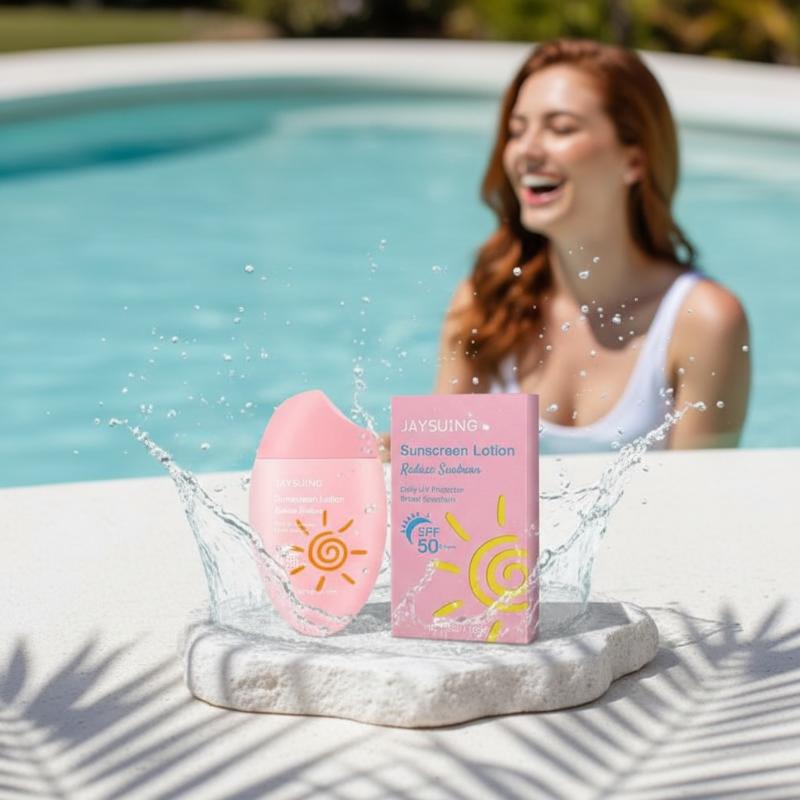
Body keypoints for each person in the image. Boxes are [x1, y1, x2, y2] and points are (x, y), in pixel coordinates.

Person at [433, 38, 750, 453]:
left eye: (561, 128)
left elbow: (704, 493)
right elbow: (440, 474)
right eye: (517, 130)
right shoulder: (485, 300)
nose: (526, 151)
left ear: (634, 161)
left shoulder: (702, 323)